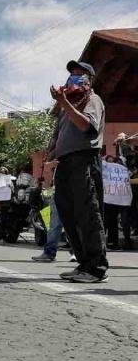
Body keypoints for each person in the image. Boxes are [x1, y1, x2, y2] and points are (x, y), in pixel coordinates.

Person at [47, 60, 108, 283]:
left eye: (80, 74)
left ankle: (96, 268)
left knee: (88, 213)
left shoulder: (92, 100)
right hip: (65, 164)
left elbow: (85, 126)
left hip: (84, 161)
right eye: (71, 74)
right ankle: (84, 264)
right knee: (68, 214)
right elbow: (59, 134)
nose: (73, 77)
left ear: (89, 80)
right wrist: (52, 152)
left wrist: (64, 103)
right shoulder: (66, 106)